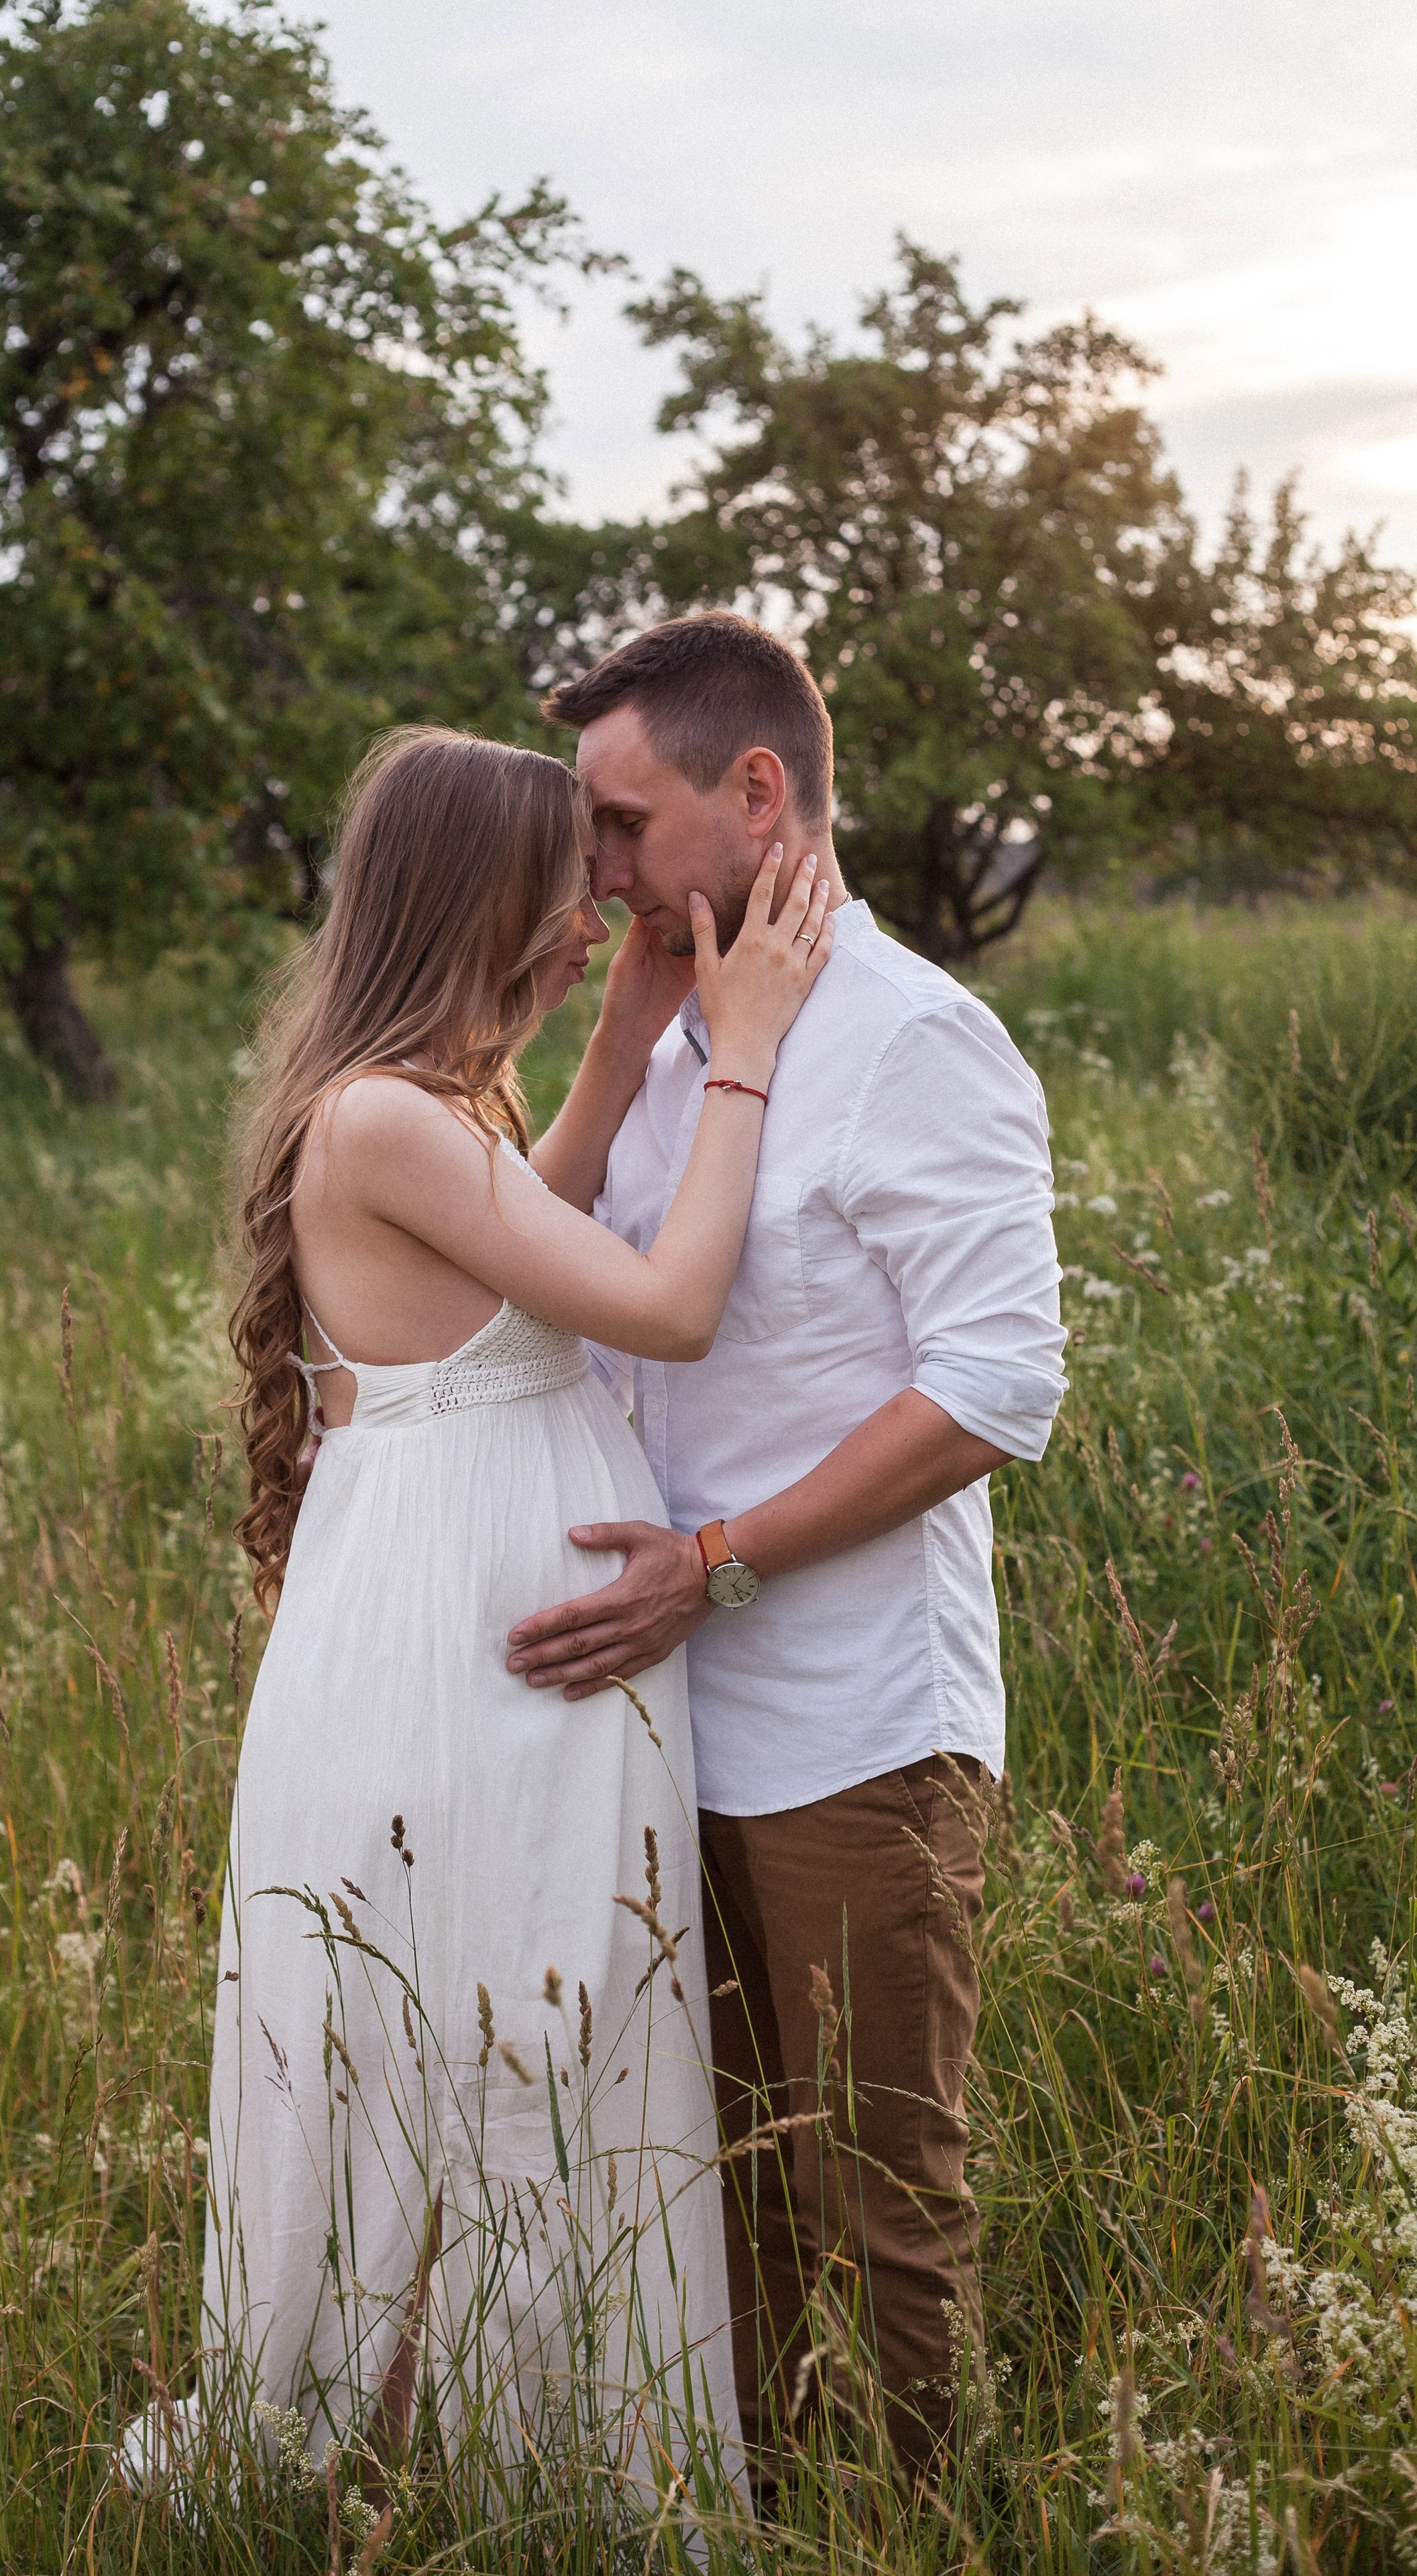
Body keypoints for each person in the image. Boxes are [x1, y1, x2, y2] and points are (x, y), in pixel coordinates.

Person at [123, 726, 834, 2504]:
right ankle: (493, 2470)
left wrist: (605, 1050)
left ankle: (523, 2453)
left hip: (481, 1614)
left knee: (546, 2005)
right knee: (505, 2013)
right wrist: (733, 1053)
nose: (599, 903)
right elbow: (659, 1307)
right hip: (459, 1644)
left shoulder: (437, 1103)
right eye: (567, 875)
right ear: (480, 895)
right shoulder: (380, 1118)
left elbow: (538, 1236)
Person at [504, 613, 1067, 2489]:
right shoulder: (674, 1025)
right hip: (656, 1719)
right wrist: (616, 1036)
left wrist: (719, 1560)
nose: (595, 870)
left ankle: (923, 2530)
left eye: (622, 821)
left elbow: (995, 1389)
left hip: (847, 1722)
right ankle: (756, 2515)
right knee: (715, 2181)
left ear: (759, 795)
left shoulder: (918, 1040)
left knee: (880, 2187)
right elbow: (534, 1278)